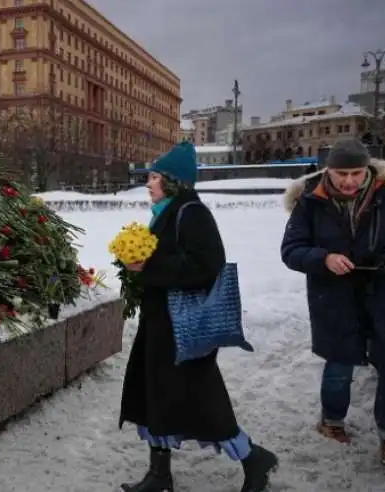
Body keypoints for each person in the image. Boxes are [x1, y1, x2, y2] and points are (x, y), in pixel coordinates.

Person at [119, 141, 277, 492]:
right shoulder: (167, 211)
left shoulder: (192, 213)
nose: (148, 182)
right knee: (154, 397)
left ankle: (253, 458)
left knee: (201, 401)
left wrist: (150, 266)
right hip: (162, 323)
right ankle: (159, 475)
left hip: (183, 328)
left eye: (154, 176)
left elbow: (206, 266)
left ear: (173, 182)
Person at [280, 138, 385, 471]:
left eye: (356, 173)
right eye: (341, 173)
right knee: (339, 366)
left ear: (367, 169)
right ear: (329, 170)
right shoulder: (310, 202)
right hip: (335, 299)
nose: (348, 181)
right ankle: (332, 422)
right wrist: (323, 258)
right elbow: (291, 249)